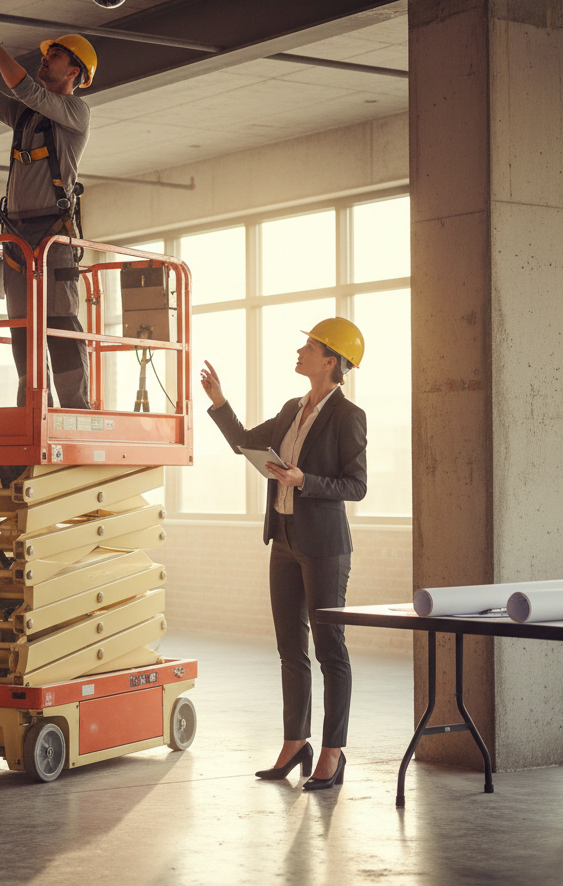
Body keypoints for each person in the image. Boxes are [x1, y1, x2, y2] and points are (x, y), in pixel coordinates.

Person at [200, 318, 367, 790]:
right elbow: (245, 443)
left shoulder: (348, 416)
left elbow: (357, 486)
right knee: (290, 649)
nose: (300, 352)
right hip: (285, 539)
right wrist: (220, 402)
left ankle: (332, 752)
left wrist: (303, 481)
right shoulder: (293, 408)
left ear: (330, 361)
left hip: (325, 546)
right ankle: (296, 743)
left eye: (308, 347)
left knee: (329, 649)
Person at [0, 7, 97, 409]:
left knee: (59, 324)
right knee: (23, 327)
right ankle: (32, 410)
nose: (45, 58)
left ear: (75, 72)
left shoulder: (75, 114)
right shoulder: (25, 117)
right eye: (47, 53)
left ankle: (73, 410)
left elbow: (25, 89)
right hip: (16, 236)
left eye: (55, 55)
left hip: (53, 237)